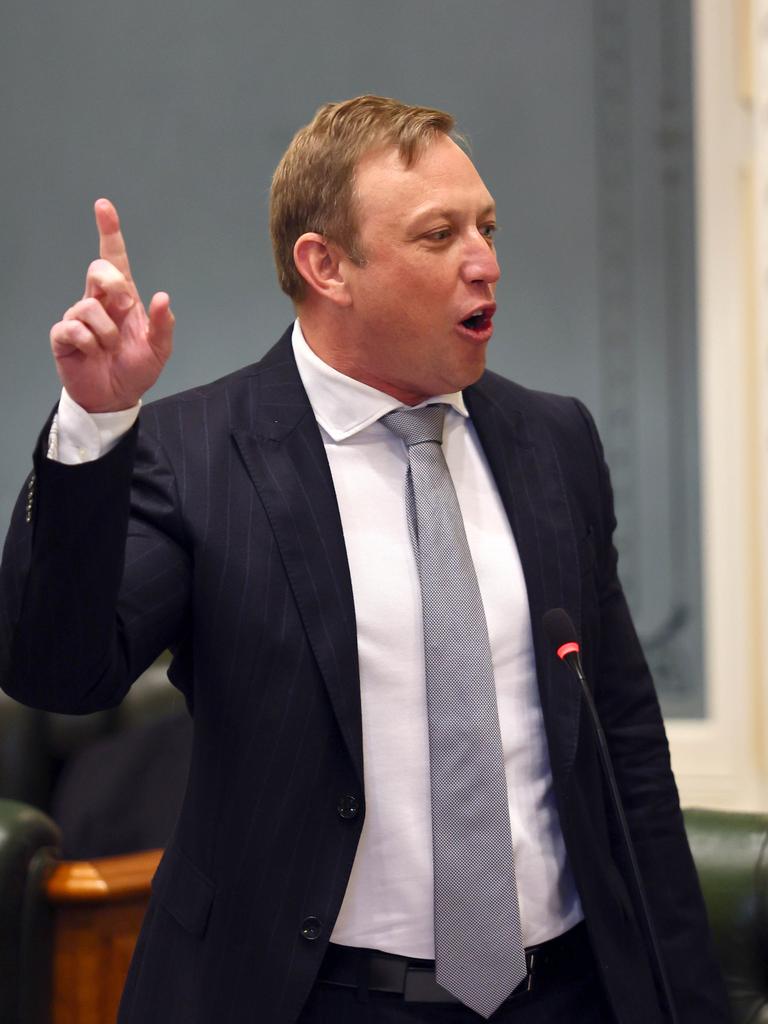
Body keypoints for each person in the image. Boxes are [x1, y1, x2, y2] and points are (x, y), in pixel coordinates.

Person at [0, 96, 729, 1023]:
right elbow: (58, 672)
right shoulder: (197, 455)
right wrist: (96, 429)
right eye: (439, 235)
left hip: (569, 990)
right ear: (327, 266)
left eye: (487, 226)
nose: (486, 262)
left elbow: (624, 741)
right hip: (317, 996)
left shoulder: (555, 441)